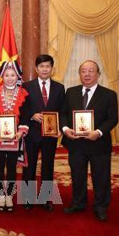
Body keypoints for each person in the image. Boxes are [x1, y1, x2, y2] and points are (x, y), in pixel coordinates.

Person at [61, 60, 118, 222]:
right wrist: (66, 129)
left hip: (98, 143)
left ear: (98, 74)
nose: (87, 74)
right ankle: (78, 203)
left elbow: (113, 118)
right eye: (83, 71)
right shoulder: (70, 92)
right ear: (79, 74)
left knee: (101, 177)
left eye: (91, 71)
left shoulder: (109, 94)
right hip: (76, 143)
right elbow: (64, 113)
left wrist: (98, 132)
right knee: (77, 175)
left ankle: (101, 207)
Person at [21, 54, 65, 211]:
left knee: (48, 166)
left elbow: (62, 111)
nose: (44, 69)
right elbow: (22, 109)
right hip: (32, 133)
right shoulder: (27, 86)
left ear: (52, 69)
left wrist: (60, 128)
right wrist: (32, 115)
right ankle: (27, 198)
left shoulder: (60, 88)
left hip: (50, 135)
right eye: (41, 66)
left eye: (47, 66)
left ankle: (46, 199)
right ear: (36, 68)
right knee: (29, 166)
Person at [0, 60, 29, 212]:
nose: (10, 78)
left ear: (17, 76)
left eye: (13, 75)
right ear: (2, 76)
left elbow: (25, 115)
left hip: (15, 138)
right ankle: (0, 194)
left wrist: (20, 132)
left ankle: (9, 196)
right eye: (7, 75)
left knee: (12, 168)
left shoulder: (24, 93)